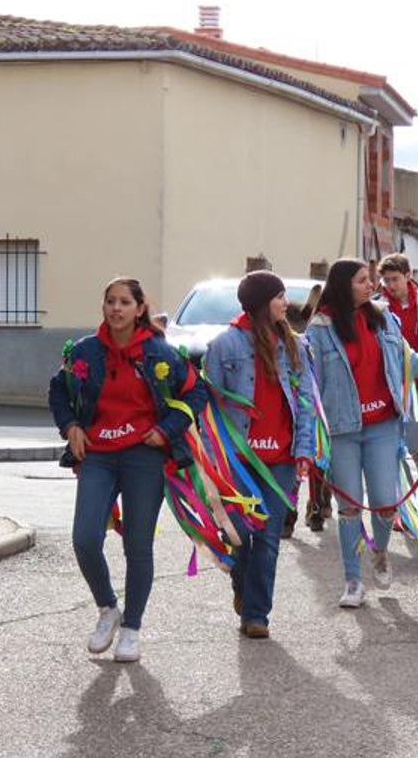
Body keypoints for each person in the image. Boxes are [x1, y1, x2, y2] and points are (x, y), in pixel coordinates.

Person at [48, 276, 208, 663]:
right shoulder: (86, 352)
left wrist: (165, 430)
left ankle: (132, 629)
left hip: (144, 457)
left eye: (124, 302)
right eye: (110, 301)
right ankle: (108, 609)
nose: (116, 308)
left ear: (140, 309)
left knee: (138, 545)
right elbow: (58, 390)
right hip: (98, 457)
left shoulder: (160, 352)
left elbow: (197, 390)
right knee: (85, 538)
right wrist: (70, 426)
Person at [306, 258, 418, 608]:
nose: (371, 285)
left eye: (371, 280)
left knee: (386, 504)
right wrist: (310, 438)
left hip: (383, 427)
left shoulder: (383, 319)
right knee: (349, 508)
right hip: (343, 430)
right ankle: (353, 581)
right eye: (362, 280)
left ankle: (381, 554)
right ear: (344, 285)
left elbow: (410, 363)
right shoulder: (319, 328)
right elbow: (310, 388)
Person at [203, 270, 317, 639]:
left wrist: (304, 449)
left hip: (280, 460)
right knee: (238, 535)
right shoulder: (224, 346)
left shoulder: (297, 345)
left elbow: (305, 403)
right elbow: (211, 408)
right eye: (279, 296)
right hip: (237, 460)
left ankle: (257, 615)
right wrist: (209, 462)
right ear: (259, 303)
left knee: (268, 538)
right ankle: (242, 582)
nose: (286, 303)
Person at [376, 253, 418, 518]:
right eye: (386, 280)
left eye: (395, 279)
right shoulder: (376, 307)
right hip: (385, 386)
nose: (390, 285)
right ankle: (401, 508)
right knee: (389, 446)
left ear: (408, 276)